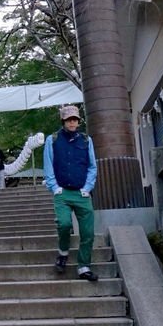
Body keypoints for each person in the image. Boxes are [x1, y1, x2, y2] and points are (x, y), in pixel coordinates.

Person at [42, 105, 99, 282]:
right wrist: (55, 187)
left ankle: (84, 266)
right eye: (69, 119)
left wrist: (88, 187)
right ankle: (63, 252)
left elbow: (92, 166)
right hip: (63, 192)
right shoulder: (53, 140)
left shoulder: (86, 140)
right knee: (64, 224)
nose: (72, 122)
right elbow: (48, 165)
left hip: (82, 193)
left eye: (75, 119)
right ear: (63, 121)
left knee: (88, 232)